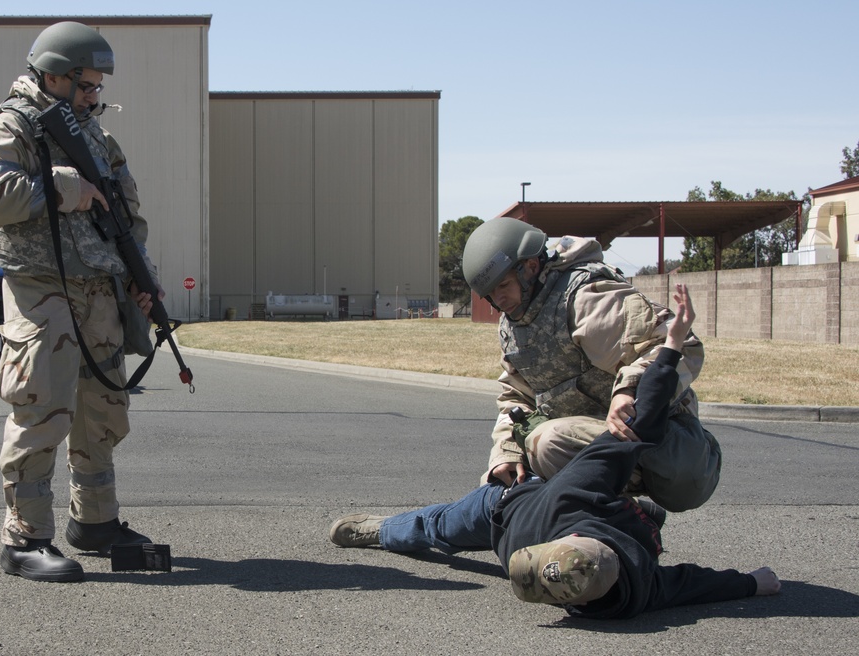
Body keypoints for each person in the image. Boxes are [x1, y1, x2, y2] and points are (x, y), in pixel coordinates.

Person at [332, 286, 780, 618]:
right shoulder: (634, 585)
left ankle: (383, 529)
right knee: (442, 525)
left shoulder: (580, 504)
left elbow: (640, 427)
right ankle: (642, 508)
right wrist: (672, 346)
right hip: (536, 523)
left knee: (435, 526)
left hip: (507, 506)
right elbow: (696, 585)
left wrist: (671, 346)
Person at [0, 21, 162, 582]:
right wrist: (61, 187)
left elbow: (126, 217)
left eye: (97, 88)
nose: (93, 96)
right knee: (44, 408)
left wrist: (138, 276)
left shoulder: (96, 135)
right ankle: (25, 538)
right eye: (85, 85)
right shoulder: (14, 124)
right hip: (41, 286)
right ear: (52, 73)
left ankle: (95, 522)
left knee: (102, 409)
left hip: (98, 286)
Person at [462, 217, 721, 514]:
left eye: (504, 285)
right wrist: (506, 452)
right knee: (497, 491)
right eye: (491, 293)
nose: (499, 299)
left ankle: (623, 522)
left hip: (665, 445)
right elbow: (516, 398)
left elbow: (679, 346)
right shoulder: (515, 323)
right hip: (596, 438)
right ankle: (621, 517)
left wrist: (628, 389)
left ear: (530, 267)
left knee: (548, 443)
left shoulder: (586, 299)